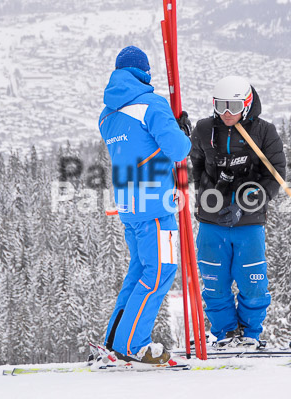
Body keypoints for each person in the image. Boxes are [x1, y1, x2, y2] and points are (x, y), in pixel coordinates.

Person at [98, 46, 192, 364]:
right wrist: (181, 129)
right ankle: (134, 343)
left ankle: (115, 338)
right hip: (155, 208)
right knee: (161, 271)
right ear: (145, 73)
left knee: (140, 270)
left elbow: (138, 150)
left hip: (130, 206)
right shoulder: (150, 104)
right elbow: (178, 149)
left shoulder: (107, 115)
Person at [190, 76, 286, 348]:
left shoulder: (264, 132)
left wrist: (245, 205)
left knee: (252, 283)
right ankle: (225, 335)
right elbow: (195, 164)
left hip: (249, 222)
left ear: (246, 103)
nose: (227, 113)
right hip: (212, 221)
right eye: (221, 106)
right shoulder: (204, 129)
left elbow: (276, 175)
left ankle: (250, 335)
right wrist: (209, 195)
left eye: (233, 106)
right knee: (214, 284)